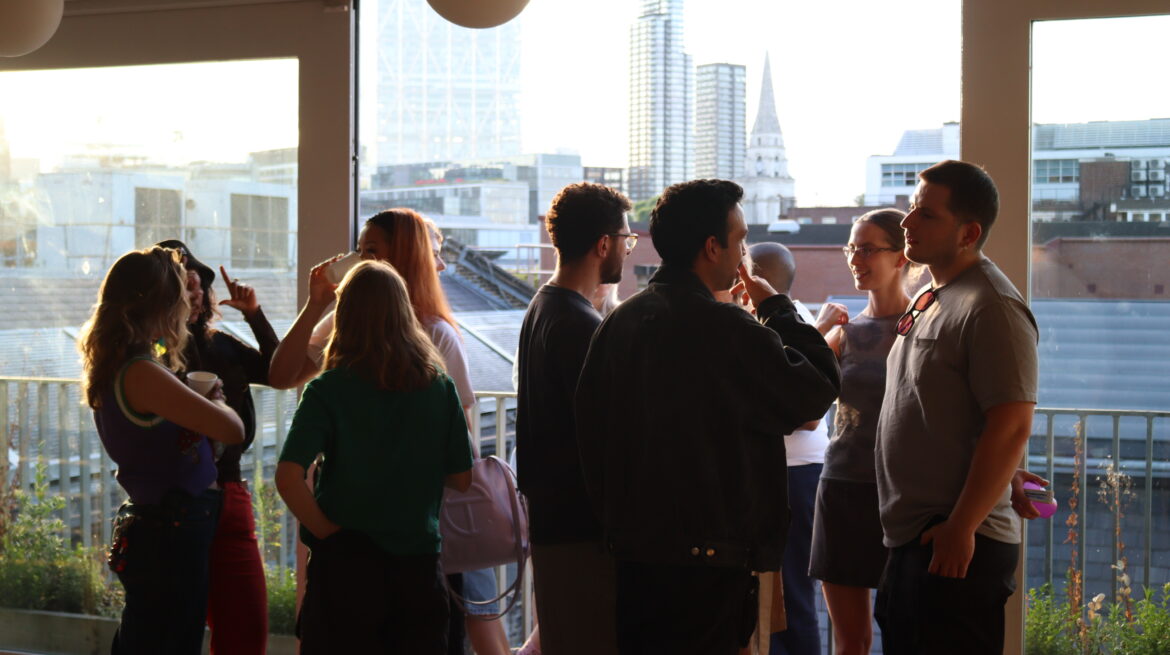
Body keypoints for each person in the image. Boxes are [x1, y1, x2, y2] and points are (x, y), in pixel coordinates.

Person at [575, 179, 841, 655]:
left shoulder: (622, 320)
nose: (743, 256)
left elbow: (590, 432)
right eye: (739, 242)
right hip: (711, 564)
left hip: (636, 558)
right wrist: (776, 307)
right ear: (713, 246)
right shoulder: (725, 327)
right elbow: (815, 391)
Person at [268, 208, 510, 655]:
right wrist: (317, 304)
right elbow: (462, 468)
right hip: (415, 556)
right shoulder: (433, 384)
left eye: (371, 251)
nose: (361, 260)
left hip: (347, 561)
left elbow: (288, 473)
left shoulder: (336, 379)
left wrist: (326, 532)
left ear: (403, 256)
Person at [874, 160, 1039, 655]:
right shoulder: (931, 291)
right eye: (910, 210)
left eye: (925, 214)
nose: (906, 223)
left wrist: (962, 526)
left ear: (968, 232)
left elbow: (1011, 423)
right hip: (919, 532)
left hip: (955, 539)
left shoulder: (992, 307)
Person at [78, 246, 245, 655]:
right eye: (180, 297)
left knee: (149, 634)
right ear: (159, 306)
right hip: (173, 526)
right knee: (169, 638)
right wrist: (217, 399)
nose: (187, 304)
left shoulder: (124, 366)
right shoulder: (142, 373)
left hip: (161, 524)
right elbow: (233, 429)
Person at [516, 182, 632, 655]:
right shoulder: (580, 326)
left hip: (555, 525)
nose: (628, 247)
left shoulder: (543, 306)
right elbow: (609, 434)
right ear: (603, 244)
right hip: (582, 533)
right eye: (627, 239)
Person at [157, 239, 279, 655]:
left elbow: (278, 371)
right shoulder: (148, 357)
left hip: (228, 494)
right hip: (173, 501)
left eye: (197, 287)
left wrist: (255, 315)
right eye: (182, 288)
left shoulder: (220, 344)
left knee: (246, 629)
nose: (193, 296)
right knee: (176, 631)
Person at [799, 210, 910, 655]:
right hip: (843, 490)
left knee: (907, 635)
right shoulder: (846, 334)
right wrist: (817, 331)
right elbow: (806, 414)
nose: (855, 258)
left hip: (903, 496)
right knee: (851, 643)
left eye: (867, 248)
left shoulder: (922, 326)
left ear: (901, 256)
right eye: (851, 248)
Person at [748, 241, 828, 655]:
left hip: (795, 474)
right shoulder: (787, 320)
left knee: (792, 594)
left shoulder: (786, 323)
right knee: (775, 596)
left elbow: (810, 415)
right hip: (783, 473)